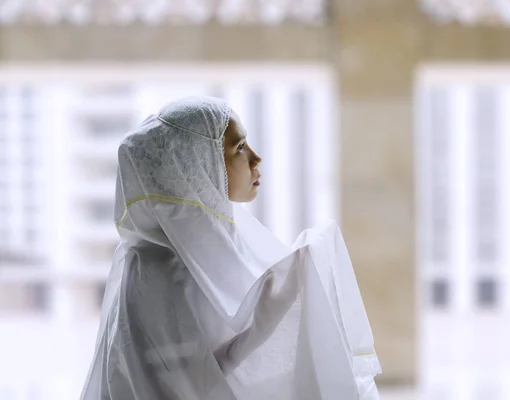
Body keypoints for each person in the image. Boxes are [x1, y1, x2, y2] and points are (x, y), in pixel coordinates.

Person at [79, 96, 381, 400]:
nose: (255, 158)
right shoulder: (158, 268)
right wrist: (267, 315)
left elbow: (201, 371)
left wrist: (270, 311)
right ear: (195, 166)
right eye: (239, 148)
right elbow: (177, 388)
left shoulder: (194, 252)